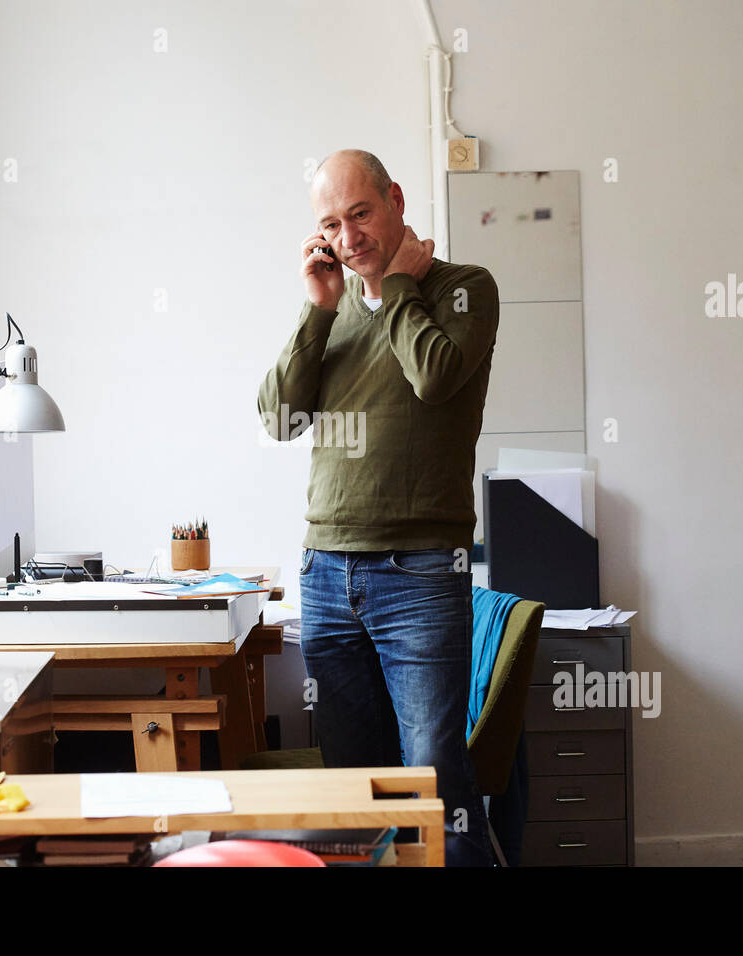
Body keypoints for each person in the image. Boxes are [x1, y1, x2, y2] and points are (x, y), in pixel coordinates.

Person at [256, 148, 500, 866]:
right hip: (328, 574)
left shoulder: (464, 288)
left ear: (395, 199)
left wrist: (396, 285)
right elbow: (277, 418)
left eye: (360, 213)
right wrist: (317, 307)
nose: (349, 236)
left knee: (432, 781)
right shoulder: (329, 309)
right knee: (351, 782)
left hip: (421, 572)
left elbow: (433, 376)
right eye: (331, 223)